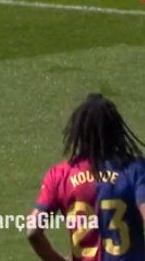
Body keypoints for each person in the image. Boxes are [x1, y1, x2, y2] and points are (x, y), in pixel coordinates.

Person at [27, 93, 145, 260]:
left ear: (78, 132)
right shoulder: (135, 170)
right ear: (116, 131)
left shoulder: (59, 175)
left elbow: (33, 232)